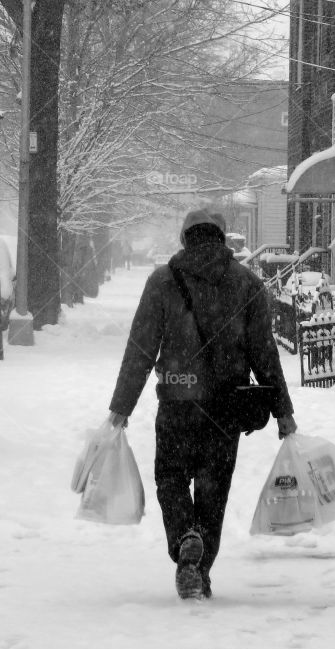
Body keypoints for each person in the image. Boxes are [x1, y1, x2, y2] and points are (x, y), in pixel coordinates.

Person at [108, 207, 297, 601]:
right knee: (213, 490)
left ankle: (183, 540)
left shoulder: (162, 282)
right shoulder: (247, 284)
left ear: (185, 238)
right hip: (225, 409)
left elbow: (140, 349)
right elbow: (265, 354)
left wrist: (121, 406)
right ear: (222, 239)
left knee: (171, 477)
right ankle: (200, 567)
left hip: (177, 403)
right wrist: (283, 411)